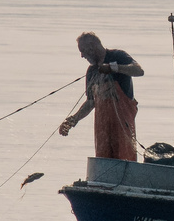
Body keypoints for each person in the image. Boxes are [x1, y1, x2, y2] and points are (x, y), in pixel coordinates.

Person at [58, 32, 144, 161]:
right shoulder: (91, 71)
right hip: (102, 125)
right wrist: (73, 120)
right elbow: (90, 102)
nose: (82, 56)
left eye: (83, 51)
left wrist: (113, 68)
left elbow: (138, 70)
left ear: (92, 47)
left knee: (124, 156)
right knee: (103, 158)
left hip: (122, 121)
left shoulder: (118, 56)